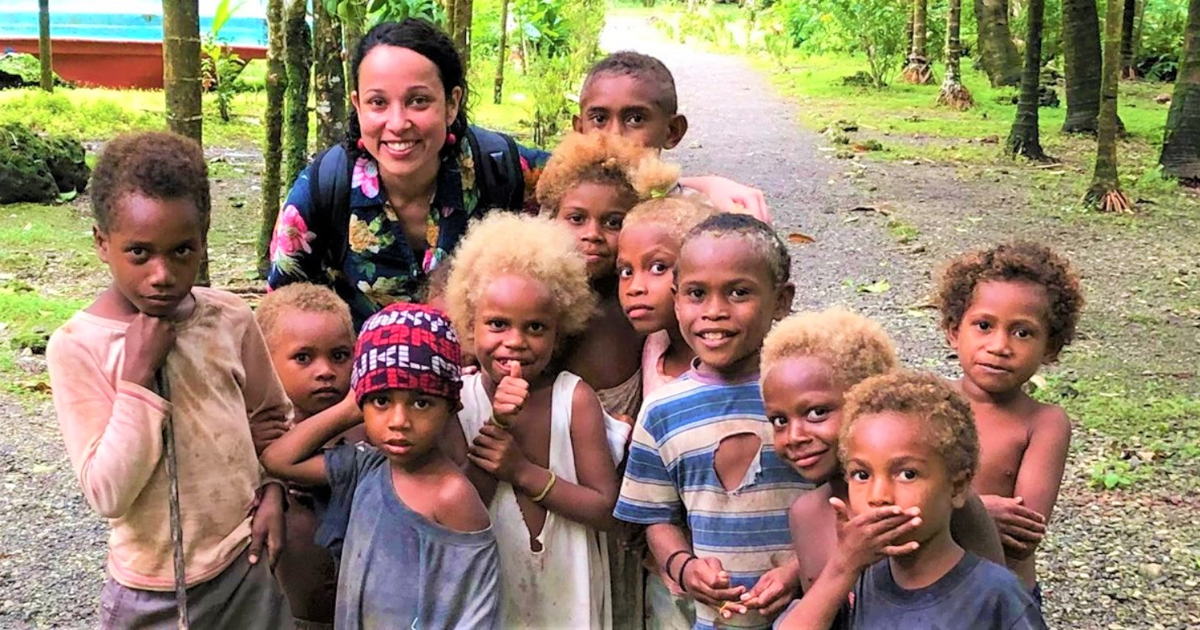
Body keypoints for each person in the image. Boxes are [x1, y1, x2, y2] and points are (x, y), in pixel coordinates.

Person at [267, 20, 767, 328]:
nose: (397, 123)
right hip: (370, 411)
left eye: (418, 100)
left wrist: (702, 185)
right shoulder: (322, 191)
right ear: (358, 105)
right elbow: (283, 319)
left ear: (452, 101)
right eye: (379, 103)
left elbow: (601, 177)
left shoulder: (498, 166)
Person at [46, 131, 292, 629]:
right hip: (148, 591)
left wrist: (274, 491)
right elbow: (107, 494)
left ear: (203, 240)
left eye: (182, 251)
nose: (162, 274)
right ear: (102, 243)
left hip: (245, 570)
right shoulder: (78, 347)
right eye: (139, 253)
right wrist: (136, 380)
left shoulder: (229, 318)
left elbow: (270, 419)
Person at [614, 213, 810, 630]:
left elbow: (843, 495)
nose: (714, 312)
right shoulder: (663, 410)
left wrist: (800, 569)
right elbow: (655, 516)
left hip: (812, 608)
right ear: (676, 297)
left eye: (739, 292)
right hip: (711, 619)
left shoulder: (809, 397)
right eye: (697, 294)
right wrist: (684, 567)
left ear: (781, 301)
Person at [261, 303, 501, 629]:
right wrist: (351, 405)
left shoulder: (452, 496)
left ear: (451, 406)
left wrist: (371, 399)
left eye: (421, 402)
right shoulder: (364, 468)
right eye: (382, 401)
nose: (399, 421)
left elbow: (475, 611)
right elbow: (278, 460)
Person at [441, 213, 621, 628]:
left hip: (568, 590)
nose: (516, 342)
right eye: (498, 324)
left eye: (536, 327)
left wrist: (521, 471)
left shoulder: (574, 400)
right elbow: (458, 513)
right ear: (471, 325)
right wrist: (500, 424)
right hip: (490, 593)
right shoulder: (458, 401)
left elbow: (605, 509)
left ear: (560, 331)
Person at [759, 308, 1003, 594]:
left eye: (817, 412)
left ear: (868, 402)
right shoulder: (807, 514)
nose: (794, 436)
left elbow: (998, 601)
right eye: (779, 420)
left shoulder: (942, 502)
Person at [775, 371, 1045, 630]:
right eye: (861, 474)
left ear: (958, 487)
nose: (878, 496)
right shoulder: (862, 581)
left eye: (907, 474)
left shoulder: (995, 594)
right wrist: (842, 566)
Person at [936, 241, 1082, 605]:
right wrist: (983, 509)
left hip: (1001, 596)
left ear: (1051, 347)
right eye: (984, 325)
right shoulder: (928, 398)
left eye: (1023, 332)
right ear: (954, 331)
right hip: (926, 587)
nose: (1000, 345)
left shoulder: (1044, 423)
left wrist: (934, 506)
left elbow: (1023, 533)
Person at [256, 282, 359, 629]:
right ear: (265, 362)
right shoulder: (259, 435)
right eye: (304, 357)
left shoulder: (366, 429)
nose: (325, 370)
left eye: (340, 355)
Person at [574, 51, 769, 222]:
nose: (614, 135)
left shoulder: (697, 217)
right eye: (599, 118)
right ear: (579, 129)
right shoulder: (555, 201)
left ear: (673, 131)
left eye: (635, 119)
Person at [617, 196, 717, 397]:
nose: (635, 288)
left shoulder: (723, 360)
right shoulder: (653, 346)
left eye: (658, 267)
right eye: (626, 271)